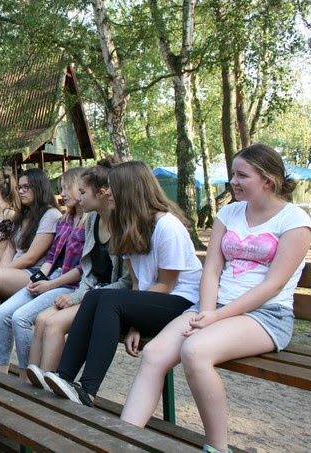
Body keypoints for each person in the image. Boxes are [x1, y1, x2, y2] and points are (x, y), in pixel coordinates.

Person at [120, 145, 311, 453]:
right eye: (233, 174)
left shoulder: (294, 221)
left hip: (265, 315)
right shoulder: (229, 213)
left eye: (241, 175)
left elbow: (273, 286)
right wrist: (207, 312)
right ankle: (121, 439)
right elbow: (211, 270)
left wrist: (215, 318)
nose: (233, 181)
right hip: (213, 307)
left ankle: (217, 448)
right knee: (154, 353)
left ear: (268, 180)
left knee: (195, 350)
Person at [42, 161, 202, 407]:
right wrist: (137, 320)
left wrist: (137, 319)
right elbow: (138, 285)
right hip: (151, 301)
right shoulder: (127, 226)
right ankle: (63, 377)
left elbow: (166, 286)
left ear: (129, 190)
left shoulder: (167, 226)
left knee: (108, 300)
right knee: (95, 296)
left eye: (111, 188)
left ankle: (87, 390)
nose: (107, 193)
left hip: (181, 301)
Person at [26, 159, 130, 387]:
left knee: (53, 324)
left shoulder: (123, 224)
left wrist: (77, 297)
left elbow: (127, 282)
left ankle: (48, 389)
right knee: (41, 319)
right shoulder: (92, 219)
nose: (78, 197)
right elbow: (88, 271)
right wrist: (79, 294)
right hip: (90, 293)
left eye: (82, 192)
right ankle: (31, 383)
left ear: (102, 194)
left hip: (108, 299)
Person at [0, 167, 86, 380]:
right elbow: (51, 258)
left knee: (20, 318)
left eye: (66, 188)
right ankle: (1, 374)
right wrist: (38, 280)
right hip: (50, 279)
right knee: (1, 313)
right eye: (61, 188)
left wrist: (49, 284)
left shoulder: (88, 222)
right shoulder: (65, 220)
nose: (62, 193)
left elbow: (83, 269)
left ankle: (25, 378)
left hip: (69, 286)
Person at [0, 168, 61, 299]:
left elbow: (31, 257)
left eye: (26, 187)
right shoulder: (23, 215)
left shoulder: (51, 214)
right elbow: (10, 248)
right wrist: (0, 273)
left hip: (33, 272)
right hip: (14, 271)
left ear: (39, 187)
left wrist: (0, 273)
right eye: (19, 187)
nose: (20, 191)